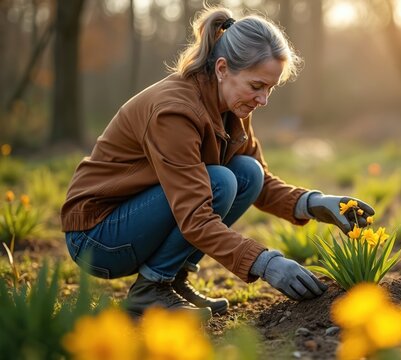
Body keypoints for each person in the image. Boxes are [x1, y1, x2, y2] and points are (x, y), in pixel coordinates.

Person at [60, 5, 374, 319]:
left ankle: (170, 280)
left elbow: (259, 181)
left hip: (136, 217)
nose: (263, 100)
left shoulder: (232, 106)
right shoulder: (174, 113)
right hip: (97, 235)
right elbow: (195, 215)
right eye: (256, 86)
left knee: (246, 173)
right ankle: (150, 290)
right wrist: (266, 263)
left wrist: (315, 203)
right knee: (220, 182)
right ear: (222, 69)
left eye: (270, 88)